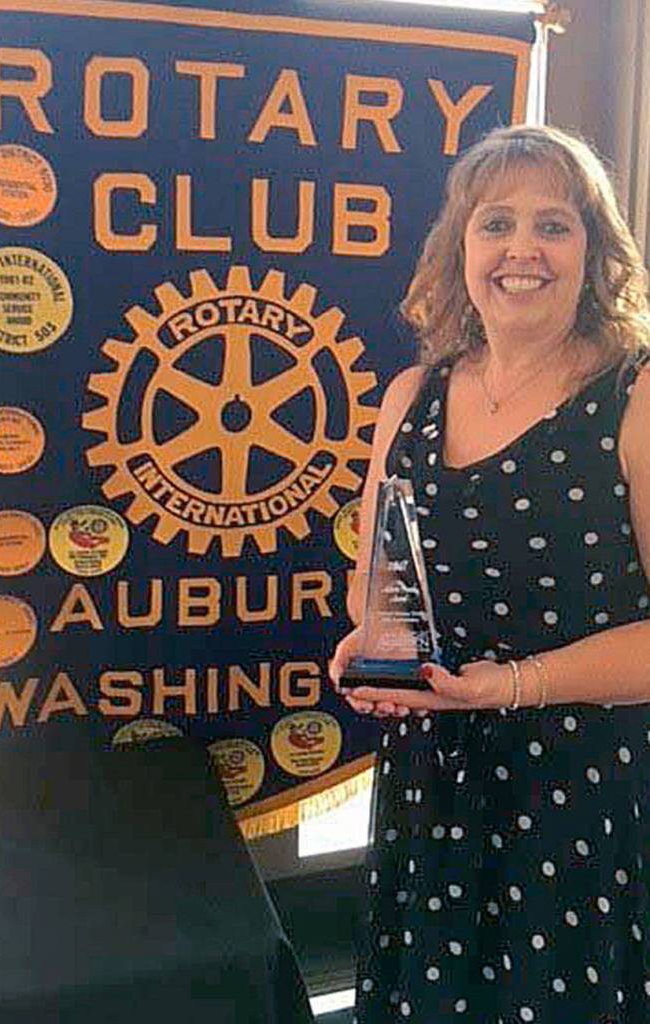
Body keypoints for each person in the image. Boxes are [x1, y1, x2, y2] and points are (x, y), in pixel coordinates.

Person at [329, 124, 650, 1023]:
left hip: (583, 795)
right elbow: (376, 576)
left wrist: (509, 685)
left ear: (593, 252)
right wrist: (371, 644)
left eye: (553, 225)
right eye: (495, 223)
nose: (521, 250)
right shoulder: (412, 396)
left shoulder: (634, 396)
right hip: (434, 778)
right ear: (459, 248)